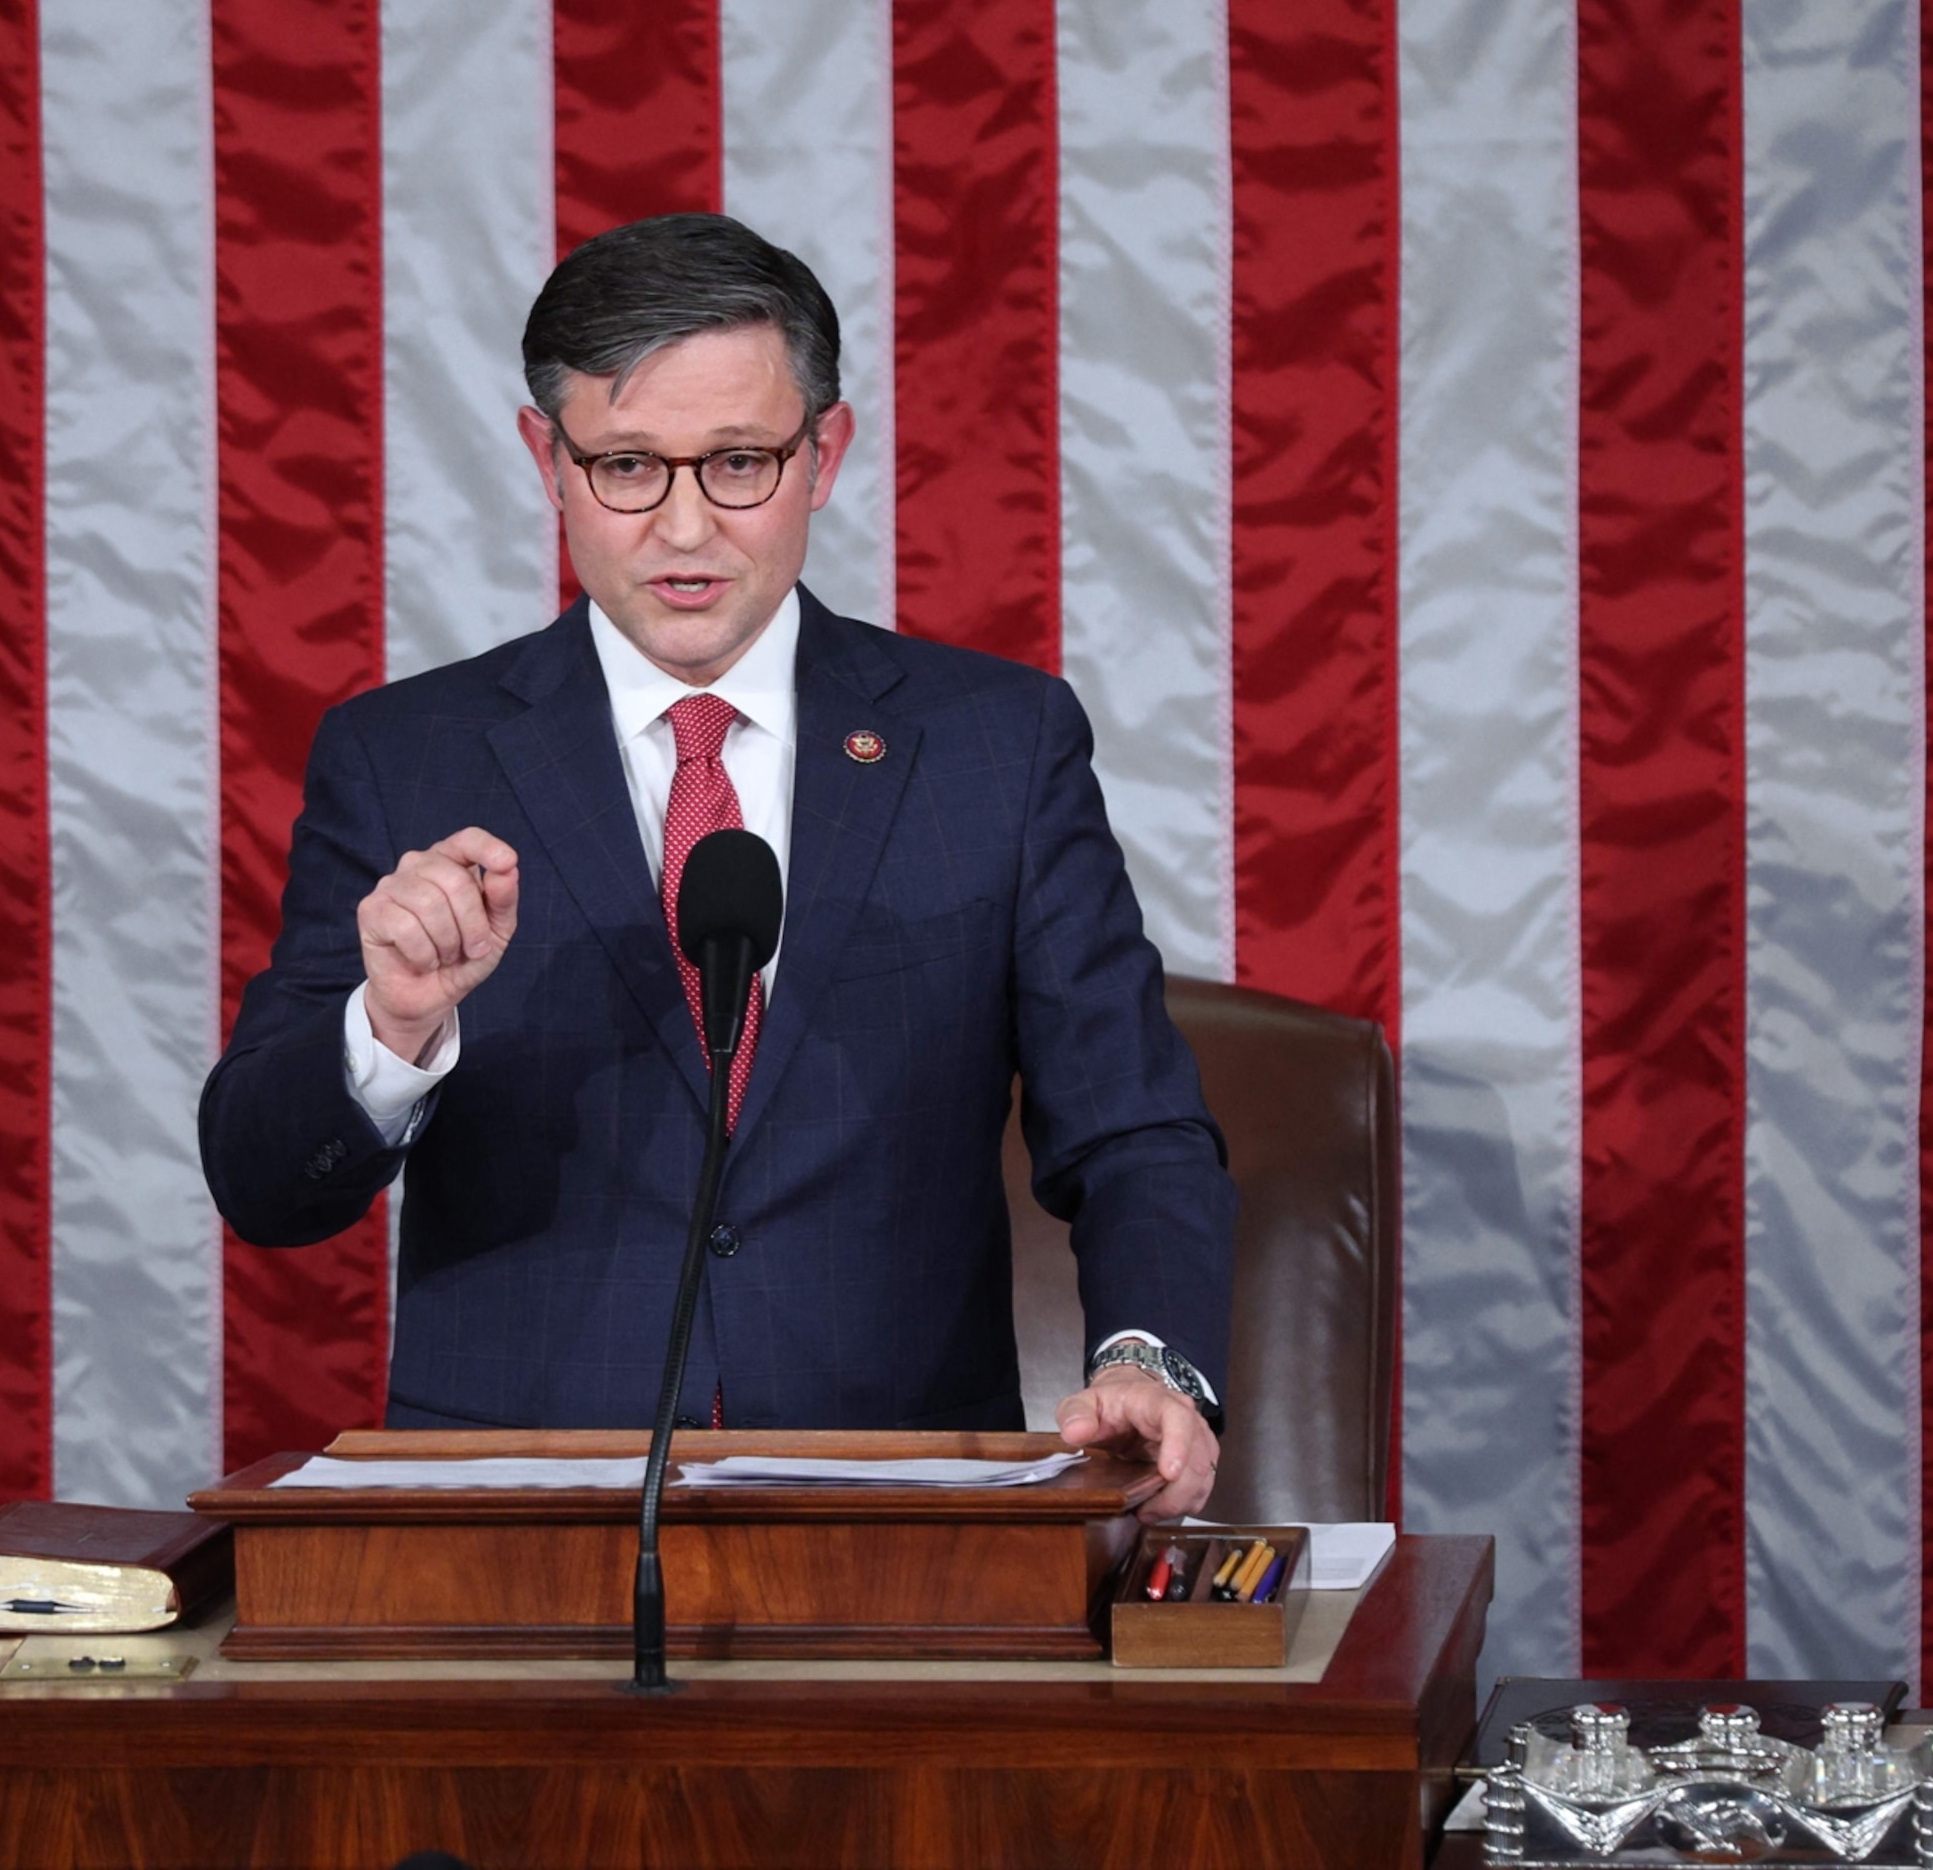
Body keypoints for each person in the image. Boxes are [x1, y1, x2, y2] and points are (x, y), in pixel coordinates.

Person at [199, 214, 1234, 1517]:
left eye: (739, 462)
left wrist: (1146, 1355)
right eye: (628, 464)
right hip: (521, 1516)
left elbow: (1133, 1124)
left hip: (902, 1513)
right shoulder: (408, 758)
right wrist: (390, 1029)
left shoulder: (995, 745)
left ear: (825, 453)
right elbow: (261, 1184)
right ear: (548, 460)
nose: (686, 528)